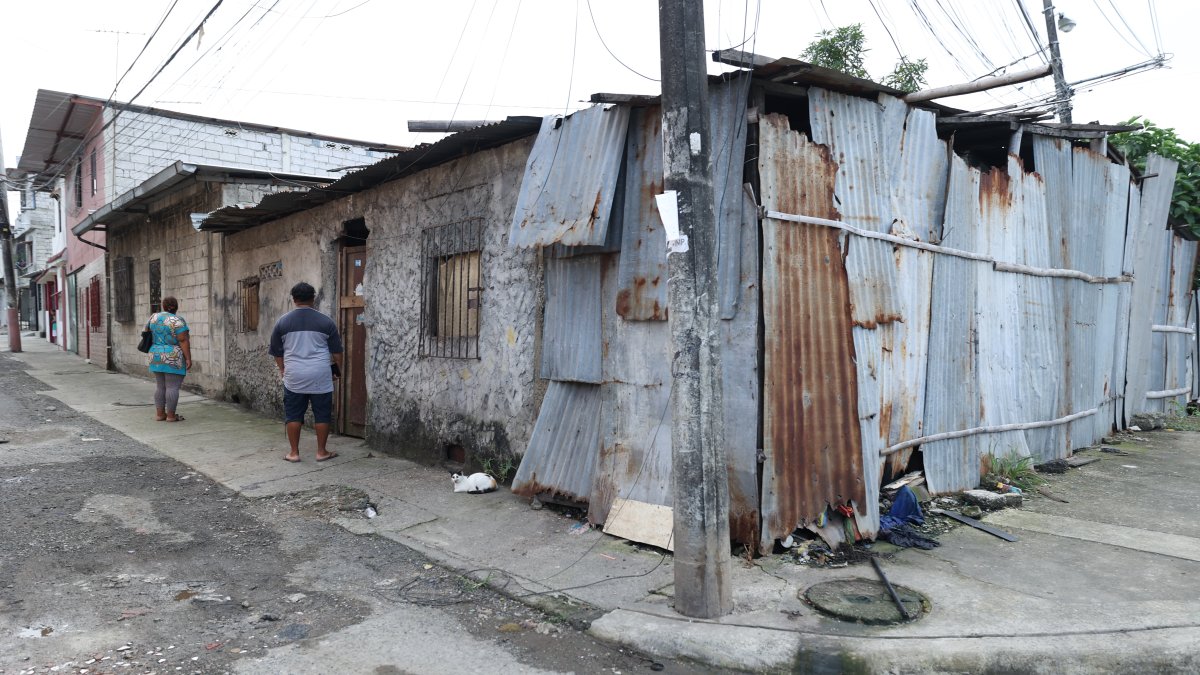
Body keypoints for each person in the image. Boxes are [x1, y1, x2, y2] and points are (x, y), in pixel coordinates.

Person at [268, 282, 344, 463]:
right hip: (320, 374)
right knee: (322, 413)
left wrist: (283, 370)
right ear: (313, 298)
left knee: (293, 414)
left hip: (294, 375)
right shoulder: (326, 322)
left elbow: (277, 352)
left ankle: (294, 453)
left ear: (293, 299)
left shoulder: (282, 322)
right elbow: (337, 353)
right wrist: (337, 370)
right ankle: (321, 452)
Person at [147, 296, 192, 422]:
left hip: (155, 355)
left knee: (160, 386)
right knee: (172, 387)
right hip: (172, 356)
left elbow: (147, 332)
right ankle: (171, 416)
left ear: (163, 306)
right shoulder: (177, 320)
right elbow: (183, 339)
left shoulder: (154, 317)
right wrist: (188, 358)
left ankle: (160, 414)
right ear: (176, 307)